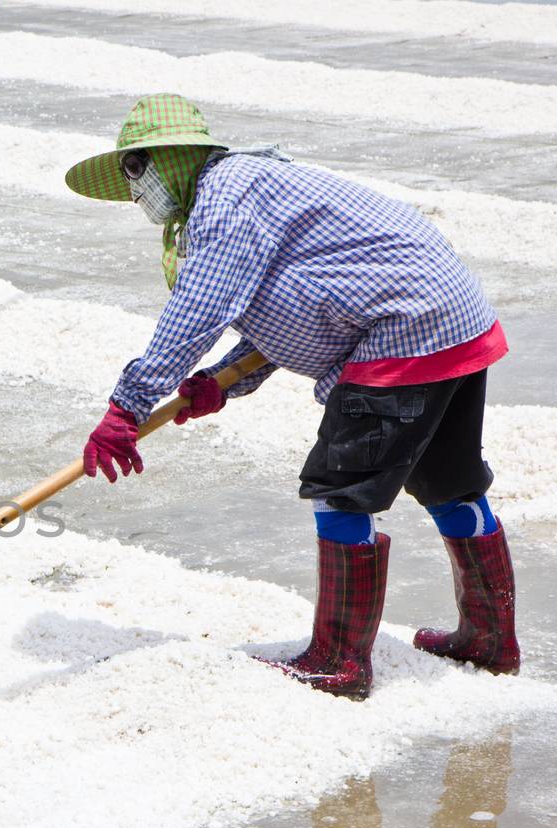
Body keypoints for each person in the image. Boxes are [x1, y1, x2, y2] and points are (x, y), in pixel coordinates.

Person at [65, 94, 520, 699]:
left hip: (401, 333)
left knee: (342, 489)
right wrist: (225, 379)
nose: (135, 188)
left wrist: (128, 406)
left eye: (135, 167)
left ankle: (338, 661)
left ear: (171, 156)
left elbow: (199, 309)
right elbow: (305, 304)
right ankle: (489, 642)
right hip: (450, 322)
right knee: (449, 483)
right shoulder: (251, 188)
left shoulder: (224, 202)